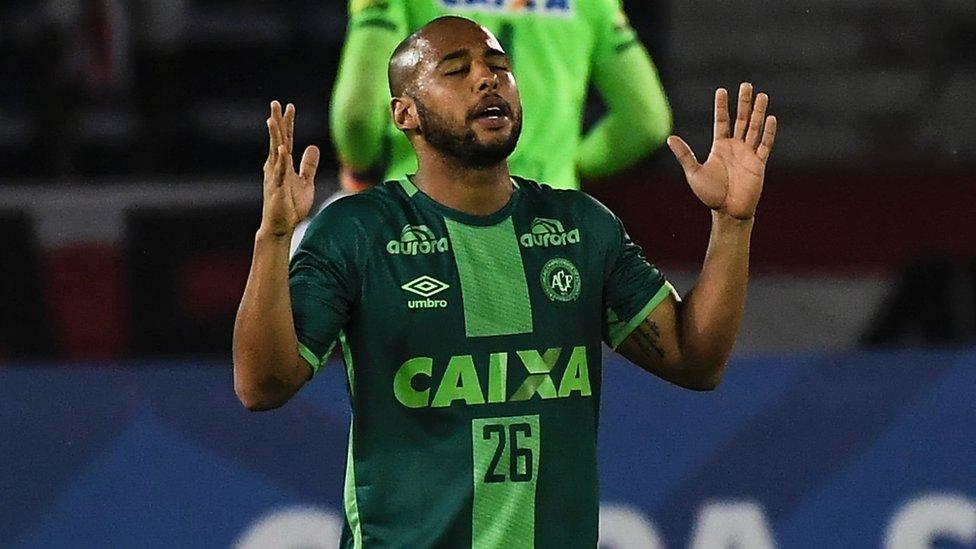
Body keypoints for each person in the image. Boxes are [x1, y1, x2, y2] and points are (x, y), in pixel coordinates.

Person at [233, 16, 776, 548]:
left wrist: (733, 223)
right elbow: (261, 386)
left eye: (498, 66)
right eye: (455, 70)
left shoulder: (580, 227)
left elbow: (695, 361)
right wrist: (273, 238)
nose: (487, 78)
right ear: (405, 114)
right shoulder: (359, 232)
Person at [330, 0, 672, 192]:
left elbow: (356, 113)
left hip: (418, 209)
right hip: (546, 216)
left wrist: (359, 168)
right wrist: (567, 165)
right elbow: (647, 121)